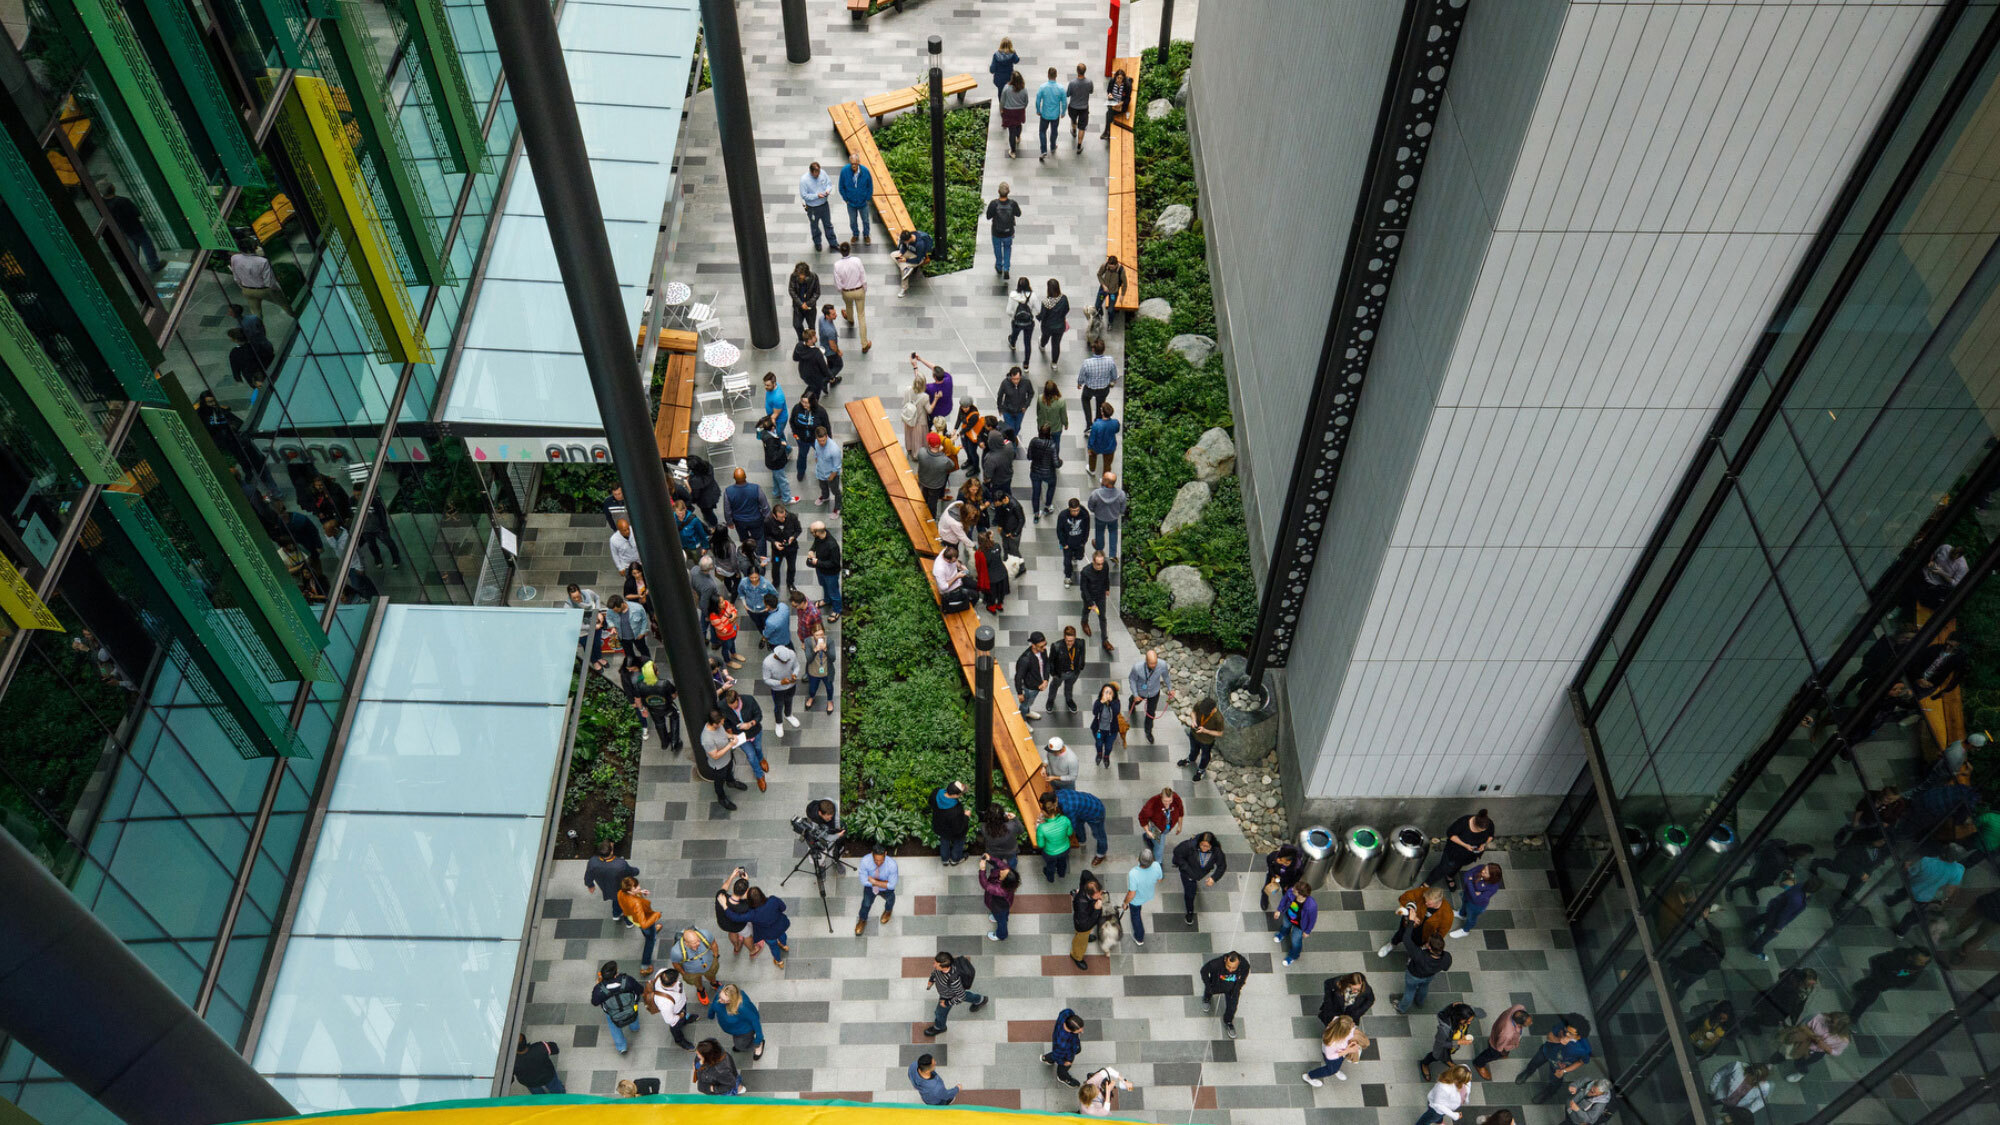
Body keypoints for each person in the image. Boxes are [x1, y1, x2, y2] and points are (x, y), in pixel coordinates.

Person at [1887, 852, 1965, 936]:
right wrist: (1944, 900)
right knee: (1913, 916)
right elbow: (1951, 889)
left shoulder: (1927, 861)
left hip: (1911, 887)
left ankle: (1890, 901)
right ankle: (1901, 932)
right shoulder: (1958, 870)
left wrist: (1907, 866)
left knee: (1901, 894)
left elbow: (1911, 872)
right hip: (1927, 897)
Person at [1515, 1016, 1592, 1099]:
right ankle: (1527, 1072)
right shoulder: (1566, 1025)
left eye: (1571, 1033)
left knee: (1555, 1081)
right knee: (1534, 1063)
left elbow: (1581, 1062)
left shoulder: (1584, 1048)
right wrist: (1559, 1039)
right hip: (1546, 1052)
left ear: (1579, 1036)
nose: (1567, 1033)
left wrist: (1564, 1071)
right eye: (1567, 1031)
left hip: (1559, 1065)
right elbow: (1550, 1035)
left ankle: (1549, 1092)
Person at [1849, 945, 1931, 1021]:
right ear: (1911, 957)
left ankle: (1858, 987)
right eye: (1920, 961)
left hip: (1887, 982)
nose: (1923, 964)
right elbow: (1875, 960)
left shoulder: (1917, 967)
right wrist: (1879, 978)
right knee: (1869, 998)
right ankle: (1853, 1017)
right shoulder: (1895, 957)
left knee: (1869, 983)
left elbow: (1910, 979)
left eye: (1924, 962)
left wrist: (1898, 984)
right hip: (1880, 978)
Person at [1769, 1010, 1850, 1082]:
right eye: (1830, 1017)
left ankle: (1801, 1073)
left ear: (1839, 1028)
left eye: (1832, 1022)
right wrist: (1815, 1037)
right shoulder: (1817, 1017)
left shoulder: (1843, 1040)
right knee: (1783, 1052)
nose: (1828, 1021)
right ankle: (1771, 1063)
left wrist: (1826, 1048)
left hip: (1815, 1052)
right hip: (1800, 1042)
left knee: (1801, 1063)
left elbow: (1837, 1052)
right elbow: (1801, 1025)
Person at [723, 886, 791, 970]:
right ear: (761, 894)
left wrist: (725, 908)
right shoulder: (773, 900)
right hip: (781, 926)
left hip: (769, 935)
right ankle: (784, 945)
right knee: (782, 935)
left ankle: (779, 961)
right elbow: (783, 908)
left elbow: (736, 918)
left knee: (774, 947)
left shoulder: (752, 914)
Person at [1746, 870, 1809, 960]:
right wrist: (1779, 927)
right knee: (1769, 934)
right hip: (1777, 915)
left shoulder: (1799, 886)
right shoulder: (1798, 901)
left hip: (1775, 906)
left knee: (1765, 917)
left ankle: (1751, 924)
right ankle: (1755, 949)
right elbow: (1785, 914)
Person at [1426, 810, 1496, 889]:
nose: (1482, 832)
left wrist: (1484, 844)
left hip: (1470, 855)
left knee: (1458, 866)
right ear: (1475, 823)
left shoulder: (1488, 824)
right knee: (1444, 867)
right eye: (1480, 830)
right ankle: (1428, 883)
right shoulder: (1463, 823)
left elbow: (1491, 836)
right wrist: (1465, 845)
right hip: (1455, 852)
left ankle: (1449, 877)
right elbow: (1450, 834)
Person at [1380, 884, 1455, 957]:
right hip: (1409, 922)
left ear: (1437, 903)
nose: (1425, 904)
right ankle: (1392, 944)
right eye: (1425, 901)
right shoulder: (1423, 892)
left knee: (1416, 945)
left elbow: (1441, 933)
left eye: (1429, 904)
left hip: (1424, 934)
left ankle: (1412, 956)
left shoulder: (1447, 914)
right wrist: (1411, 911)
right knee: (1400, 933)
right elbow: (1403, 897)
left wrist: (1429, 943)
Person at [719, 686, 769, 792]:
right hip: (740, 736)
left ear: (738, 698)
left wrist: (750, 724)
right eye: (730, 706)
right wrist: (730, 733)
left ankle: (761, 759)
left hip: (754, 731)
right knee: (751, 756)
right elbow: (725, 721)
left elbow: (759, 715)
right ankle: (759, 775)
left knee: (758, 748)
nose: (732, 708)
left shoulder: (749, 700)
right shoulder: (723, 705)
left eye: (734, 706)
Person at [1173, 831, 1227, 924]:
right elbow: (1177, 853)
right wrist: (1185, 867)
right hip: (1188, 875)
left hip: (1200, 873)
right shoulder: (1190, 846)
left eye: (1207, 846)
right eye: (1202, 845)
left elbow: (1222, 865)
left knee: (1192, 892)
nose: (1204, 848)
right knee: (1190, 895)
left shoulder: (1216, 851)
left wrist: (1214, 878)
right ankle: (1190, 912)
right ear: (1199, 843)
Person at [591, 960, 645, 1054]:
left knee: (613, 1025)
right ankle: (634, 1027)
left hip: (613, 1013)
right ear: (615, 974)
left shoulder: (599, 989)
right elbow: (640, 990)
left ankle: (622, 1047)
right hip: (631, 1007)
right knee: (634, 1011)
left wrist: (597, 985)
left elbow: (595, 1002)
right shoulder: (627, 980)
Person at [1419, 1002, 1478, 1081]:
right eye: (1467, 1021)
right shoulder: (1444, 1029)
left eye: (1471, 1020)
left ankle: (1447, 1059)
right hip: (1442, 1048)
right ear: (1459, 1018)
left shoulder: (1463, 1020)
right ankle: (1424, 1063)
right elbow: (1441, 1044)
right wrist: (1459, 1042)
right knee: (1435, 1056)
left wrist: (1463, 1036)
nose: (1469, 1023)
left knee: (1447, 1054)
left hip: (1451, 1046)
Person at [703, 984, 765, 1060]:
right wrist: (711, 1013)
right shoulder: (721, 992)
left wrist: (758, 1039)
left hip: (743, 1031)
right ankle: (741, 1045)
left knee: (741, 1046)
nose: (719, 1000)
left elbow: (754, 1020)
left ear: (732, 1000)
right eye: (720, 997)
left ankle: (759, 1045)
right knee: (739, 1043)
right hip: (732, 1028)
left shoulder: (742, 1007)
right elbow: (714, 1004)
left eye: (724, 1000)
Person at [617, 875, 664, 972]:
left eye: (637, 885)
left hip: (632, 917)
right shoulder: (637, 904)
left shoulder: (621, 892)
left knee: (646, 932)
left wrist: (639, 892)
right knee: (650, 940)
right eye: (636, 887)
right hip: (643, 919)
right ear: (630, 891)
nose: (639, 887)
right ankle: (645, 966)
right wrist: (657, 915)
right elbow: (644, 924)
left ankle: (650, 932)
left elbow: (628, 900)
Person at [1197, 951, 1249, 1039]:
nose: (1230, 970)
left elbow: (1244, 976)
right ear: (1225, 960)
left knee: (1232, 1007)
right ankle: (1207, 998)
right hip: (1216, 985)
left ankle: (1228, 1022)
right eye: (1229, 966)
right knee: (1209, 991)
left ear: (1239, 963)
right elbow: (1203, 971)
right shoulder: (1216, 963)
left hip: (1232, 989)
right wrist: (1208, 985)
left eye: (1234, 968)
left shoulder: (1244, 965)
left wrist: (1238, 987)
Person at [1395, 933, 1451, 1015]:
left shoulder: (1420, 955)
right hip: (1429, 976)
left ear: (1430, 947)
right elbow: (1445, 968)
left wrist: (1411, 922)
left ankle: (1402, 1008)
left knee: (1410, 991)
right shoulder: (1447, 957)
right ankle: (1419, 1002)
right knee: (1424, 987)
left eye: (1428, 942)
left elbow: (1406, 939)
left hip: (1413, 976)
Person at [699, 709, 744, 810]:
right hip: (719, 766)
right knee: (719, 782)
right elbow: (715, 756)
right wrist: (730, 745)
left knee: (729, 772)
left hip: (727, 758)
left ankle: (731, 782)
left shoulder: (718, 726)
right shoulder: (707, 739)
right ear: (715, 724)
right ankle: (722, 798)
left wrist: (733, 736)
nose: (723, 723)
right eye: (721, 722)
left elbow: (724, 734)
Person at [1302, 1015, 1366, 1086]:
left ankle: (1336, 1069)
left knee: (1339, 1062)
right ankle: (1309, 1076)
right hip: (1333, 1056)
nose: (1353, 1026)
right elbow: (1330, 1056)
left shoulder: (1337, 1021)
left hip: (1339, 1052)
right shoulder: (1332, 1044)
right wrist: (1348, 1050)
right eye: (1351, 1026)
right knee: (1330, 1070)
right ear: (1343, 1033)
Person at [1118, 846, 1163, 947]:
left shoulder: (1133, 873)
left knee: (1135, 916)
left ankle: (1139, 937)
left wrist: (1125, 903)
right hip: (1148, 894)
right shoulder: (1156, 865)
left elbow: (1131, 893)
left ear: (1138, 859)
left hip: (1136, 900)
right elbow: (1160, 880)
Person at [1127, 648, 1175, 743]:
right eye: (1151, 663)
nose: (1153, 665)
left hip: (1154, 692)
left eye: (1155, 663)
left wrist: (1170, 688)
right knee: (1135, 701)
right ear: (1146, 661)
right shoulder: (1137, 668)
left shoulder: (1162, 665)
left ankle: (1148, 731)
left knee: (1151, 712)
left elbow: (1166, 676)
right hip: (1141, 691)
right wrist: (1135, 694)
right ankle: (1131, 701)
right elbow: (1132, 679)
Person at [1471, 1004, 1530, 1080]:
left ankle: (1503, 1052)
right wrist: (1501, 1052)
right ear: (1519, 1024)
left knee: (1502, 1050)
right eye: (1527, 1024)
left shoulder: (1519, 1007)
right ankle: (1478, 1063)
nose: (1531, 1023)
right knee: (1493, 1054)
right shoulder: (1508, 1033)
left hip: (1499, 1032)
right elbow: (1499, 1047)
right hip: (1498, 1043)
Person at [584, 840, 640, 920]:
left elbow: (588, 875)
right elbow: (631, 872)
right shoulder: (620, 864)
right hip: (620, 888)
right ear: (611, 852)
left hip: (607, 888)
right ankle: (629, 922)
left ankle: (616, 914)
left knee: (616, 900)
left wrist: (590, 885)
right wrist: (637, 871)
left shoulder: (593, 862)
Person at [1052, 787, 1109, 865]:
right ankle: (1081, 839)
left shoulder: (1068, 808)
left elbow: (1071, 826)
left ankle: (1101, 854)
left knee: (1099, 835)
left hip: (1096, 813)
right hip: (1084, 806)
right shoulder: (1057, 794)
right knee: (1079, 824)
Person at [724, 467, 770, 559]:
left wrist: (729, 522)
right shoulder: (755, 488)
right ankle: (762, 560)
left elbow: (727, 510)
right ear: (745, 476)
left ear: (734, 478)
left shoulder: (728, 491)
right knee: (760, 539)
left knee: (744, 539)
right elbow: (764, 505)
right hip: (756, 519)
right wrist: (767, 517)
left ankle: (748, 556)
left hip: (739, 522)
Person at [1449, 863, 1504, 938]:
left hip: (1476, 905)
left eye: (1486, 872)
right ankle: (1461, 914)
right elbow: (1466, 875)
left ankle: (1465, 931)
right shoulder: (1481, 867)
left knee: (1471, 918)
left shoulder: (1493, 887)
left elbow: (1476, 899)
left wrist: (1470, 882)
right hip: (1467, 894)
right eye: (1485, 868)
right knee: (1464, 904)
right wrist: (1474, 890)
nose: (1483, 871)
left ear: (1491, 877)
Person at [1945, 887, 2000, 961]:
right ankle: (1961, 952)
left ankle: (1946, 934)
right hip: (1996, 917)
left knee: (1964, 921)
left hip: (1990, 902)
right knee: (1981, 936)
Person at [855, 842, 898, 935]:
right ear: (872, 854)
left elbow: (891, 885)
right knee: (866, 904)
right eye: (876, 860)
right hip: (870, 889)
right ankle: (862, 919)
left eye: (881, 860)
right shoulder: (865, 861)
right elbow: (863, 881)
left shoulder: (892, 865)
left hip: (885, 890)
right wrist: (884, 883)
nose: (878, 863)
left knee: (890, 900)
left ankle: (888, 910)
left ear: (885, 854)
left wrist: (874, 882)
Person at [230, 243, 282, 317]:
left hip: (247, 290)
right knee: (284, 303)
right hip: (263, 290)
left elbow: (236, 277)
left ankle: (258, 327)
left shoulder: (234, 258)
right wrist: (276, 289)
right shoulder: (262, 261)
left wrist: (243, 287)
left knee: (256, 314)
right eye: (256, 246)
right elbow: (269, 282)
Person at [1087, 471, 1127, 566]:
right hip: (1113, 519)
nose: (1102, 479)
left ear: (1106, 482)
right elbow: (1122, 509)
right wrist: (1117, 513)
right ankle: (1112, 554)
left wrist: (1095, 511)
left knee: (1099, 533)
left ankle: (1100, 551)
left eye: (1103, 478)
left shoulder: (1096, 493)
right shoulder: (1121, 494)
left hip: (1099, 518)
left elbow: (1090, 506)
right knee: (1113, 534)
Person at [1179, 695, 1224, 780]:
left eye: (1206, 713)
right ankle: (1191, 759)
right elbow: (1193, 712)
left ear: (1213, 709)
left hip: (1206, 741)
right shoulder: (1200, 705)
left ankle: (1201, 770)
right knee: (1193, 749)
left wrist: (1205, 731)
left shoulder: (1218, 718)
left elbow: (1220, 733)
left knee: (1205, 756)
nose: (1203, 713)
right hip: (1194, 734)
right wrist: (1193, 720)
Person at [1275, 880, 1318, 966]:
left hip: (1300, 925)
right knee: (1285, 926)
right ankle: (1282, 934)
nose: (1292, 889)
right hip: (1288, 916)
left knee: (1296, 941)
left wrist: (1307, 931)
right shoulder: (1291, 892)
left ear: (1301, 895)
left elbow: (1312, 919)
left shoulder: (1311, 905)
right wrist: (1279, 910)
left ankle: (1293, 956)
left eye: (1295, 890)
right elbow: (1284, 899)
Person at [1069, 872, 1106, 968]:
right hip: (1082, 927)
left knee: (1085, 935)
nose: (1100, 897)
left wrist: (1082, 886)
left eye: (1100, 893)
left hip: (1087, 919)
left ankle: (1086, 937)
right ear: (1089, 894)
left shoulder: (1089, 885)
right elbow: (1084, 925)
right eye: (1097, 896)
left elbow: (1085, 873)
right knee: (1080, 942)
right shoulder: (1081, 904)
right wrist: (1097, 910)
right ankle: (1076, 956)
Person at [806, 519, 842, 620]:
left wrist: (817, 562)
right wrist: (811, 550)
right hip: (821, 570)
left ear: (818, 532)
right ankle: (827, 600)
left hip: (831, 574)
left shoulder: (832, 545)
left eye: (812, 531)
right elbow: (815, 544)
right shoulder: (819, 537)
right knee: (824, 586)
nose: (811, 532)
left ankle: (837, 610)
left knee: (834, 592)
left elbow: (834, 563)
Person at [761, 644, 800, 738]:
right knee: (778, 706)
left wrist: (795, 674)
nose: (786, 662)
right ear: (777, 656)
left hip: (791, 685)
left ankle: (788, 715)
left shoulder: (791, 654)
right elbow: (766, 679)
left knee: (789, 700)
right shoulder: (767, 662)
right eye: (784, 661)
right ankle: (778, 723)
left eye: (787, 661)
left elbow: (797, 666)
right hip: (777, 690)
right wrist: (780, 683)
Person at [1036, 792, 1076, 881]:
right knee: (1063, 863)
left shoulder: (1041, 828)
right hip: (1065, 849)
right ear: (1055, 806)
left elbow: (1041, 845)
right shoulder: (1065, 819)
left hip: (1050, 853)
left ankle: (1050, 878)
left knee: (1050, 866)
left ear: (1043, 811)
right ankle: (1061, 875)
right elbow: (1069, 833)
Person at [980, 854, 1020, 940]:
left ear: (1005, 880)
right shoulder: (1009, 877)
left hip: (998, 907)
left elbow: (985, 885)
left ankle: (1001, 935)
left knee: (1001, 921)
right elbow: (1001, 864)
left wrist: (982, 870)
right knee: (1003, 915)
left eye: (1003, 873)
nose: (1001, 871)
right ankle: (1000, 917)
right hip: (1005, 904)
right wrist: (990, 858)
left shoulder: (1000, 889)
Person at [986, 183, 1022, 279]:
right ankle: (1006, 268)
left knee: (997, 249)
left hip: (996, 232)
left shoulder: (994, 204)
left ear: (998, 192)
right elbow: (1018, 214)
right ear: (1008, 192)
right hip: (1008, 232)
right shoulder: (1013, 204)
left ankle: (999, 266)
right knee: (1007, 248)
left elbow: (988, 216)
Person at [798, 161, 836, 251]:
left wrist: (827, 190)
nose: (818, 175)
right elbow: (804, 195)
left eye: (819, 172)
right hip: (813, 208)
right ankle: (817, 243)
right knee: (814, 226)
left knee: (828, 224)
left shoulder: (822, 173)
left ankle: (833, 242)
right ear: (811, 172)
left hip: (824, 205)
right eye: (816, 173)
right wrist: (816, 196)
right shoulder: (804, 180)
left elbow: (829, 184)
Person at [1043, 1009, 1086, 1088]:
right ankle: (1062, 1077)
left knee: (1060, 1052)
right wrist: (1065, 1062)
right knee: (1063, 1066)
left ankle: (1047, 1058)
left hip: (1063, 1046)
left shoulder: (1066, 1013)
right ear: (1070, 1030)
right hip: (1066, 1054)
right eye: (1079, 1031)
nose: (1082, 1031)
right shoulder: (1063, 1043)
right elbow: (1058, 1055)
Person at [1028, 425, 1063, 519]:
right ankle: (1047, 506)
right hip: (1048, 473)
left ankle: (1036, 512)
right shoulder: (1052, 445)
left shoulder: (1034, 441)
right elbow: (1056, 463)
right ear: (1049, 434)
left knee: (1036, 492)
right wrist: (1061, 462)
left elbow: (1029, 457)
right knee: (1051, 487)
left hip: (1035, 471)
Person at [715, 870, 752, 957]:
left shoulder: (720, 897)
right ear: (745, 893)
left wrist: (732, 876)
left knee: (732, 932)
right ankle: (753, 950)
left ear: (733, 888)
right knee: (747, 935)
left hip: (724, 924)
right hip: (738, 926)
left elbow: (724, 888)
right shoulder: (744, 906)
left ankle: (736, 947)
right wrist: (746, 882)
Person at [765, 502, 801, 590]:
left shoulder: (792, 517)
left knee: (791, 567)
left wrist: (793, 537)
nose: (783, 519)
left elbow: (798, 530)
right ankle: (776, 583)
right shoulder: (768, 521)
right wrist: (774, 542)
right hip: (777, 551)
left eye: (784, 516)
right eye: (781, 518)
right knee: (776, 567)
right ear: (774, 516)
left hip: (791, 549)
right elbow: (766, 535)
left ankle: (790, 583)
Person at [932, 780, 971, 865]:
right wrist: (966, 816)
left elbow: (930, 803)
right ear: (954, 795)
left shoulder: (936, 793)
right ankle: (955, 859)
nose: (961, 795)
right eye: (960, 794)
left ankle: (945, 859)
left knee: (944, 840)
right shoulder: (955, 810)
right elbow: (959, 828)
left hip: (940, 826)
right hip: (952, 830)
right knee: (959, 840)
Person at [838, 157, 874, 246]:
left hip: (863, 202)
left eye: (855, 164)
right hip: (851, 203)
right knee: (853, 221)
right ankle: (855, 234)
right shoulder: (844, 171)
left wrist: (867, 198)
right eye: (852, 164)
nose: (853, 166)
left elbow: (870, 185)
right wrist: (846, 199)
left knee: (865, 220)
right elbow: (841, 186)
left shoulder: (865, 171)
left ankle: (866, 235)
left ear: (858, 162)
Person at [1016, 632, 1051, 720]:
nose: (1044, 648)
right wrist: (1020, 693)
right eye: (1041, 646)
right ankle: (1022, 720)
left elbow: (1046, 664)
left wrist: (1046, 680)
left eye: (1045, 644)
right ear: (1033, 645)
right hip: (1030, 688)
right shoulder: (1025, 660)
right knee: (1025, 705)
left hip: (1039, 685)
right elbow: (1018, 677)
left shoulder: (1043, 651)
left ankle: (1027, 712)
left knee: (1029, 702)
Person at [606, 594, 651, 663]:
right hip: (623, 637)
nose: (614, 612)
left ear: (622, 604)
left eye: (616, 610)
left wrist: (642, 632)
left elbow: (644, 620)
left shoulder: (637, 608)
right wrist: (612, 627)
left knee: (643, 650)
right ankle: (633, 665)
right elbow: (608, 618)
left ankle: (649, 663)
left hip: (637, 635)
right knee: (629, 654)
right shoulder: (611, 610)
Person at [802, 621, 835, 715]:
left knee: (829, 687)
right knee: (812, 688)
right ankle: (811, 697)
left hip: (827, 671)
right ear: (813, 634)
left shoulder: (829, 641)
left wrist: (825, 650)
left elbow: (833, 658)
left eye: (821, 634)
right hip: (813, 671)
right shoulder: (808, 641)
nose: (819, 637)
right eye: (817, 635)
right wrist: (816, 649)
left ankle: (829, 701)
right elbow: (809, 659)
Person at [1137, 785, 1185, 850]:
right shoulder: (1152, 803)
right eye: (1165, 801)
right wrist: (1148, 831)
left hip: (1168, 826)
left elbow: (1180, 811)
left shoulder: (1176, 798)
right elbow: (1142, 817)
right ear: (1161, 796)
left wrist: (1180, 826)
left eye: (1170, 800)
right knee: (1159, 849)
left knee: (1157, 834)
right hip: (1157, 828)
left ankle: (1147, 836)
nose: (1167, 803)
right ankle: (1158, 860)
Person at [1035, 66, 1067, 160]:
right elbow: (1064, 102)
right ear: (1056, 75)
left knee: (1042, 131)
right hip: (1055, 115)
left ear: (1048, 75)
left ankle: (1043, 150)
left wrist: (1038, 110)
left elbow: (1037, 100)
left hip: (1044, 114)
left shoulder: (1043, 87)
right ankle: (1053, 147)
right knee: (1054, 131)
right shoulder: (1061, 88)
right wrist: (1063, 112)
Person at [793, 324, 832, 402]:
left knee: (811, 386)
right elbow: (824, 368)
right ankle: (811, 403)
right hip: (815, 376)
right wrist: (831, 377)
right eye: (814, 337)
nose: (816, 337)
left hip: (803, 372)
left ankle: (804, 399)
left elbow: (795, 358)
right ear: (809, 340)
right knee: (816, 390)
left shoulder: (799, 346)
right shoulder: (817, 353)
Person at [974, 530, 1009, 612]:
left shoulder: (980, 553)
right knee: (1001, 591)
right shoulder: (997, 546)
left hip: (991, 577)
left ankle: (992, 607)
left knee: (992, 593)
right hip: (1002, 573)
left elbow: (979, 567)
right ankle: (999, 605)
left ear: (979, 542)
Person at [1088, 682, 1122, 767]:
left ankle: (1106, 756)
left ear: (1113, 694)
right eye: (1105, 692)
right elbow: (1094, 712)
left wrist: (1110, 703)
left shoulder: (1116, 702)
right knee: (1099, 743)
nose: (1107, 694)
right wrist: (1101, 702)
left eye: (1110, 692)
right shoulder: (1098, 702)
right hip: (1099, 730)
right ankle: (1099, 754)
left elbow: (1116, 712)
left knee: (1109, 746)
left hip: (1111, 731)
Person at [787, 261, 821, 341]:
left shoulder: (814, 277)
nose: (799, 277)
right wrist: (801, 304)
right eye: (798, 275)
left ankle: (811, 341)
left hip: (810, 308)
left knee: (811, 326)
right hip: (798, 307)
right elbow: (791, 290)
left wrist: (808, 304)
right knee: (797, 325)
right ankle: (803, 339)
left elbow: (817, 293)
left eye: (801, 275)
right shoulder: (794, 276)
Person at [1039, 278, 1071, 363]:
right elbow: (1067, 309)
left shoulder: (1046, 302)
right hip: (1060, 327)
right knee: (1056, 345)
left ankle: (1042, 345)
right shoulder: (1063, 298)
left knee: (1045, 338)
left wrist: (1038, 317)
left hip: (1047, 327)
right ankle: (1054, 363)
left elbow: (1043, 315)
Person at [894, 227, 933, 296]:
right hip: (910, 253)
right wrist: (901, 253)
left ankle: (903, 288)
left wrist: (906, 260)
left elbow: (918, 260)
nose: (904, 242)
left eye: (905, 241)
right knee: (893, 255)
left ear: (909, 239)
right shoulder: (910, 235)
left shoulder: (919, 244)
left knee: (903, 270)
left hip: (919, 258)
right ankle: (906, 268)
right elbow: (904, 246)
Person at [998, 71, 1029, 157]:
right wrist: (1023, 107)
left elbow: (1002, 101)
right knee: (1018, 124)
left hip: (1009, 111)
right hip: (1019, 111)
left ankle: (1013, 151)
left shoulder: (1006, 88)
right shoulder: (1024, 89)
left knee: (1011, 131)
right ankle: (1018, 137)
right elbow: (1026, 101)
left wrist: (1001, 109)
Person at [1065, 63, 1093, 153]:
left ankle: (1073, 130)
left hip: (1073, 107)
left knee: (1073, 120)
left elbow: (1068, 94)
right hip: (1084, 108)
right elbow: (1091, 91)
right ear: (1085, 71)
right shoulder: (1089, 82)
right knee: (1082, 127)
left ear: (1077, 71)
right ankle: (1079, 146)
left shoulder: (1072, 83)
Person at [1086, 402, 1119, 475]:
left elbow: (1092, 438)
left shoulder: (1096, 424)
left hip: (1097, 446)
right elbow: (1117, 430)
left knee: (1092, 457)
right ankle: (1105, 477)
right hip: (1110, 446)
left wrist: (1089, 448)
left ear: (1102, 413)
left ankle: (1092, 470)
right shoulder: (1115, 422)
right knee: (1107, 464)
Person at [1101, 67, 1131, 141]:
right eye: (1118, 78)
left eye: (1121, 78)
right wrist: (1110, 95)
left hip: (1121, 105)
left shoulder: (1127, 85)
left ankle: (1106, 132)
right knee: (1110, 112)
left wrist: (1122, 103)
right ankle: (1107, 131)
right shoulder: (1112, 81)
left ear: (1123, 78)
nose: (1119, 80)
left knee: (1109, 113)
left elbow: (1128, 98)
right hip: (1113, 102)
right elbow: (1109, 91)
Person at [1008, 276, 1036, 351]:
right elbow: (1038, 308)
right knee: (1027, 341)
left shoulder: (1013, 294)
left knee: (1014, 334)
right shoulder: (1032, 295)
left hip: (1016, 321)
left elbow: (1008, 311)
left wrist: (1013, 316)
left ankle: (1012, 344)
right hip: (1028, 322)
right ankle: (1026, 361)